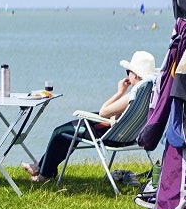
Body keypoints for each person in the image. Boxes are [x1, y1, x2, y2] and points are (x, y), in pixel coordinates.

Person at [22, 50, 157, 183]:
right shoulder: (150, 93)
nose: (128, 75)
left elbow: (104, 112)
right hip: (128, 134)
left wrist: (119, 92)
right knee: (71, 133)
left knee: (60, 132)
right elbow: (118, 117)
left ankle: (44, 174)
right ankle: (42, 167)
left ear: (135, 75)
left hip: (111, 136)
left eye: (129, 72)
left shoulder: (133, 95)